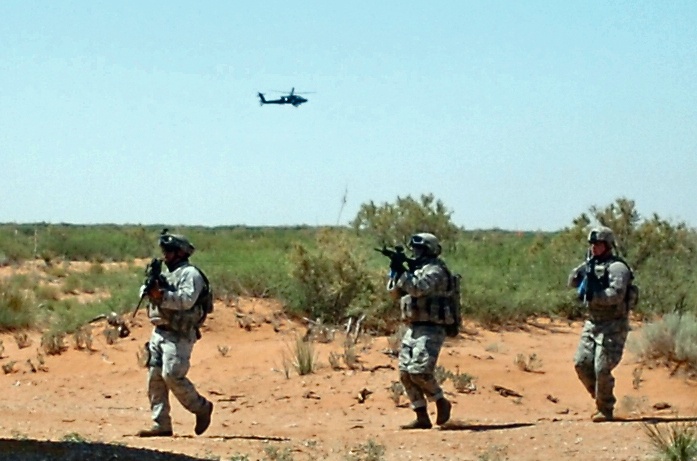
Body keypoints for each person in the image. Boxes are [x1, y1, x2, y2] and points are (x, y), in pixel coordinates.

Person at [137, 230, 214, 437]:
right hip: (159, 332)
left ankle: (201, 407)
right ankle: (161, 424)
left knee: (172, 376)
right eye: (164, 251)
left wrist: (161, 296)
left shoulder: (191, 274)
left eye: (169, 251)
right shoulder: (165, 273)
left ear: (180, 253)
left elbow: (186, 300)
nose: (165, 256)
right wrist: (149, 288)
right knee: (154, 378)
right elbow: (146, 292)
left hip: (179, 334)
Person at [388, 232, 455, 429]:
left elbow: (417, 289)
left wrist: (403, 272)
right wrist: (395, 271)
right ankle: (421, 416)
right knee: (405, 374)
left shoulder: (436, 271)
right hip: (414, 326)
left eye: (420, 249)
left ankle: (441, 401)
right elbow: (394, 294)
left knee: (420, 371)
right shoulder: (415, 270)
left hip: (432, 328)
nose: (416, 253)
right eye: (414, 249)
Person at [567, 225, 632, 422]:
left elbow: (617, 295)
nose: (594, 247)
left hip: (613, 324)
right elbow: (571, 282)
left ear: (608, 245)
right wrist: (581, 275)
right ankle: (600, 395)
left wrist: (594, 296)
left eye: (598, 244)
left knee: (602, 367)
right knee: (581, 363)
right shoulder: (589, 264)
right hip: (592, 323)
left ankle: (605, 408)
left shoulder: (618, 268)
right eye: (592, 244)